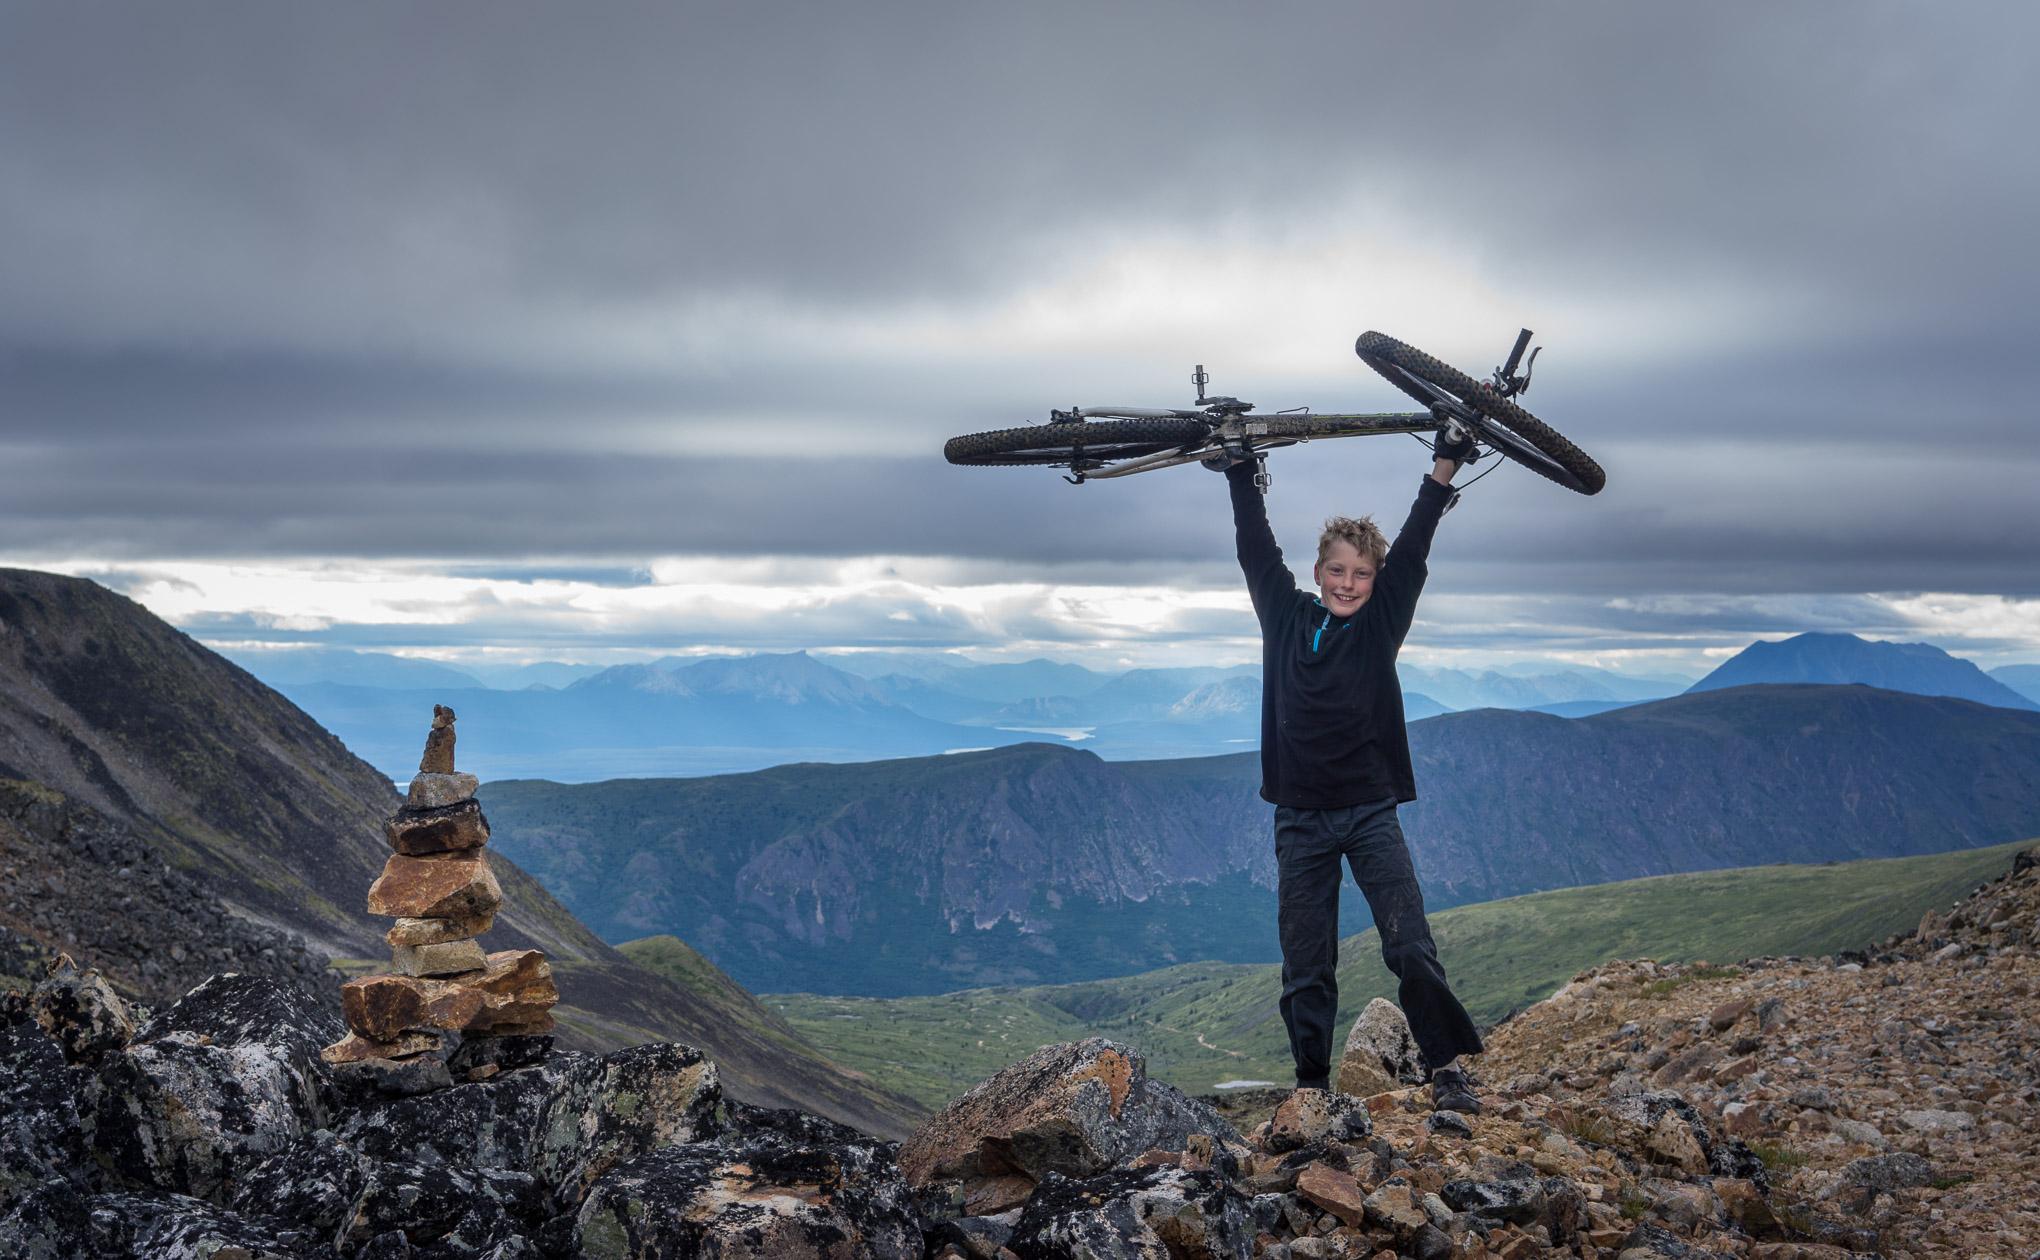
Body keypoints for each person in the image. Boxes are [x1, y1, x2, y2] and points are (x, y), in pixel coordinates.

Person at [1212, 421, 1487, 1113]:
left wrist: (1442, 471)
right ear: (1317, 572)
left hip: (1369, 811)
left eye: (1362, 574)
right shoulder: (1284, 616)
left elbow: (1415, 551)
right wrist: (1241, 474)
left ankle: (1447, 1069)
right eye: (1338, 570)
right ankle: (1312, 1087)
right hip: (1299, 818)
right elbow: (1255, 552)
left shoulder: (1379, 622)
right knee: (1307, 964)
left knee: (1410, 944)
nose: (1349, 583)